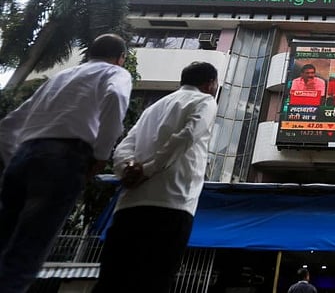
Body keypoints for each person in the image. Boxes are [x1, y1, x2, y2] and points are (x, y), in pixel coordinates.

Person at [0, 34, 132, 293]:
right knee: (28, 247)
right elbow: (116, 97)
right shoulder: (115, 73)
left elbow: (9, 125)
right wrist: (101, 155)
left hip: (23, 155)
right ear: (120, 58)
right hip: (64, 158)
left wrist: (12, 160)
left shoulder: (60, 77)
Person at [93, 61, 219, 293]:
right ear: (210, 83)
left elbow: (124, 147)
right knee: (154, 280)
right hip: (172, 203)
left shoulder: (153, 108)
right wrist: (148, 169)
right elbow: (187, 135)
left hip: (129, 205)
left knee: (112, 280)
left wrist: (127, 169)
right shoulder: (205, 101)